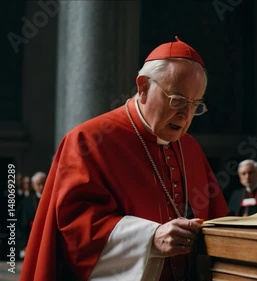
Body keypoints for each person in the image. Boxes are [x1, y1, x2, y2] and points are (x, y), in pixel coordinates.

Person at [20, 36, 229, 281]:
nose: (185, 115)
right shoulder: (88, 140)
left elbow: (219, 223)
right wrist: (151, 238)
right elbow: (75, 230)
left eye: (195, 104)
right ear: (143, 88)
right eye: (177, 100)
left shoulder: (190, 148)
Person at [16, 171, 46, 259]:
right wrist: (24, 245)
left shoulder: (52, 201)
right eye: (39, 184)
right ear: (33, 185)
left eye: (44, 183)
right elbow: (22, 226)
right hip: (31, 240)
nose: (42, 187)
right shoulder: (26, 202)